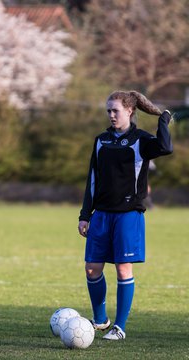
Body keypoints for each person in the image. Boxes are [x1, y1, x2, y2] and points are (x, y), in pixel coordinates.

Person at [78, 90, 173, 340]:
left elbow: (165, 147)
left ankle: (119, 327)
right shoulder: (101, 141)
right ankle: (100, 320)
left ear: (130, 111)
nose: (111, 115)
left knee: (123, 269)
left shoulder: (140, 140)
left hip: (128, 215)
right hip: (101, 215)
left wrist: (162, 119)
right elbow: (92, 180)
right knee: (92, 269)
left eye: (115, 110)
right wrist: (85, 214)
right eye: (108, 110)